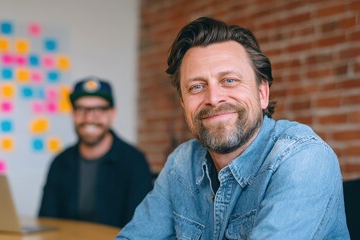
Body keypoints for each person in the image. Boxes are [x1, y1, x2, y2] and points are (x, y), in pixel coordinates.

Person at [117, 17, 350, 239]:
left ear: (262, 93)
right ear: (183, 103)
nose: (214, 98)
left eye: (229, 80)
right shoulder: (182, 164)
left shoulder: (305, 158)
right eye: (197, 87)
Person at [38, 76, 153, 228]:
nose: (89, 117)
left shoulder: (134, 162)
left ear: (112, 114)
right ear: (73, 114)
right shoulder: (60, 162)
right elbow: (46, 222)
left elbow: (141, 227)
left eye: (99, 109)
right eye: (81, 109)